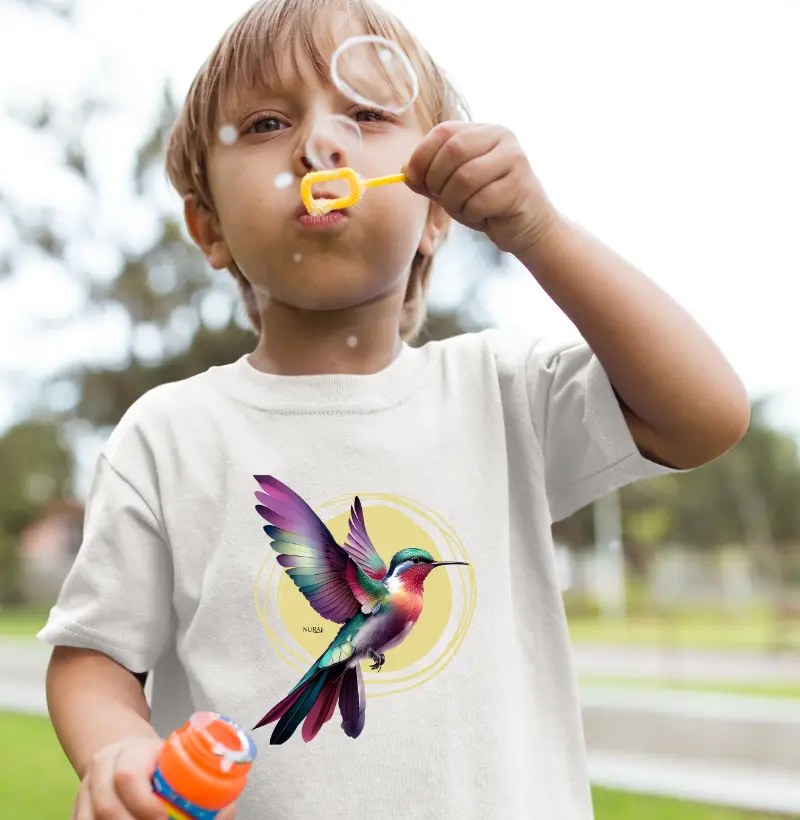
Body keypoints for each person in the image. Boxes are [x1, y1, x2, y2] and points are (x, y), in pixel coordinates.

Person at [38, 0, 750, 818]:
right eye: (268, 122)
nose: (319, 144)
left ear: (436, 214)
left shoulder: (502, 394)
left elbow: (704, 414)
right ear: (210, 228)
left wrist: (537, 230)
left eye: (368, 114)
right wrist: (118, 747)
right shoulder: (170, 436)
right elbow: (94, 653)